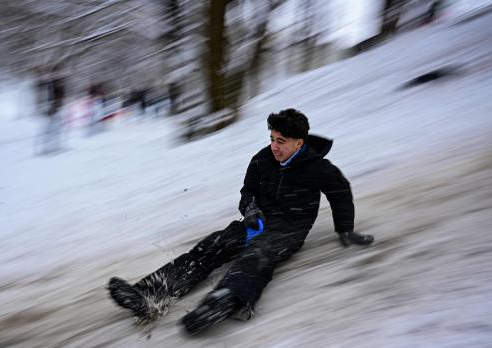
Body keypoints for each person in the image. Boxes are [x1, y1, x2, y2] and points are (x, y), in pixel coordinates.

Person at [108, 108, 374, 334]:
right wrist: (250, 209)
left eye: (281, 140)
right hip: (256, 221)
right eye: (272, 138)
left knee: (257, 254)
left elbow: (340, 193)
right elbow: (247, 191)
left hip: (290, 229)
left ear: (299, 143)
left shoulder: (318, 168)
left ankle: (226, 300)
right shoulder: (262, 159)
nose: (274, 146)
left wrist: (345, 229)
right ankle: (150, 294)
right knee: (213, 245)